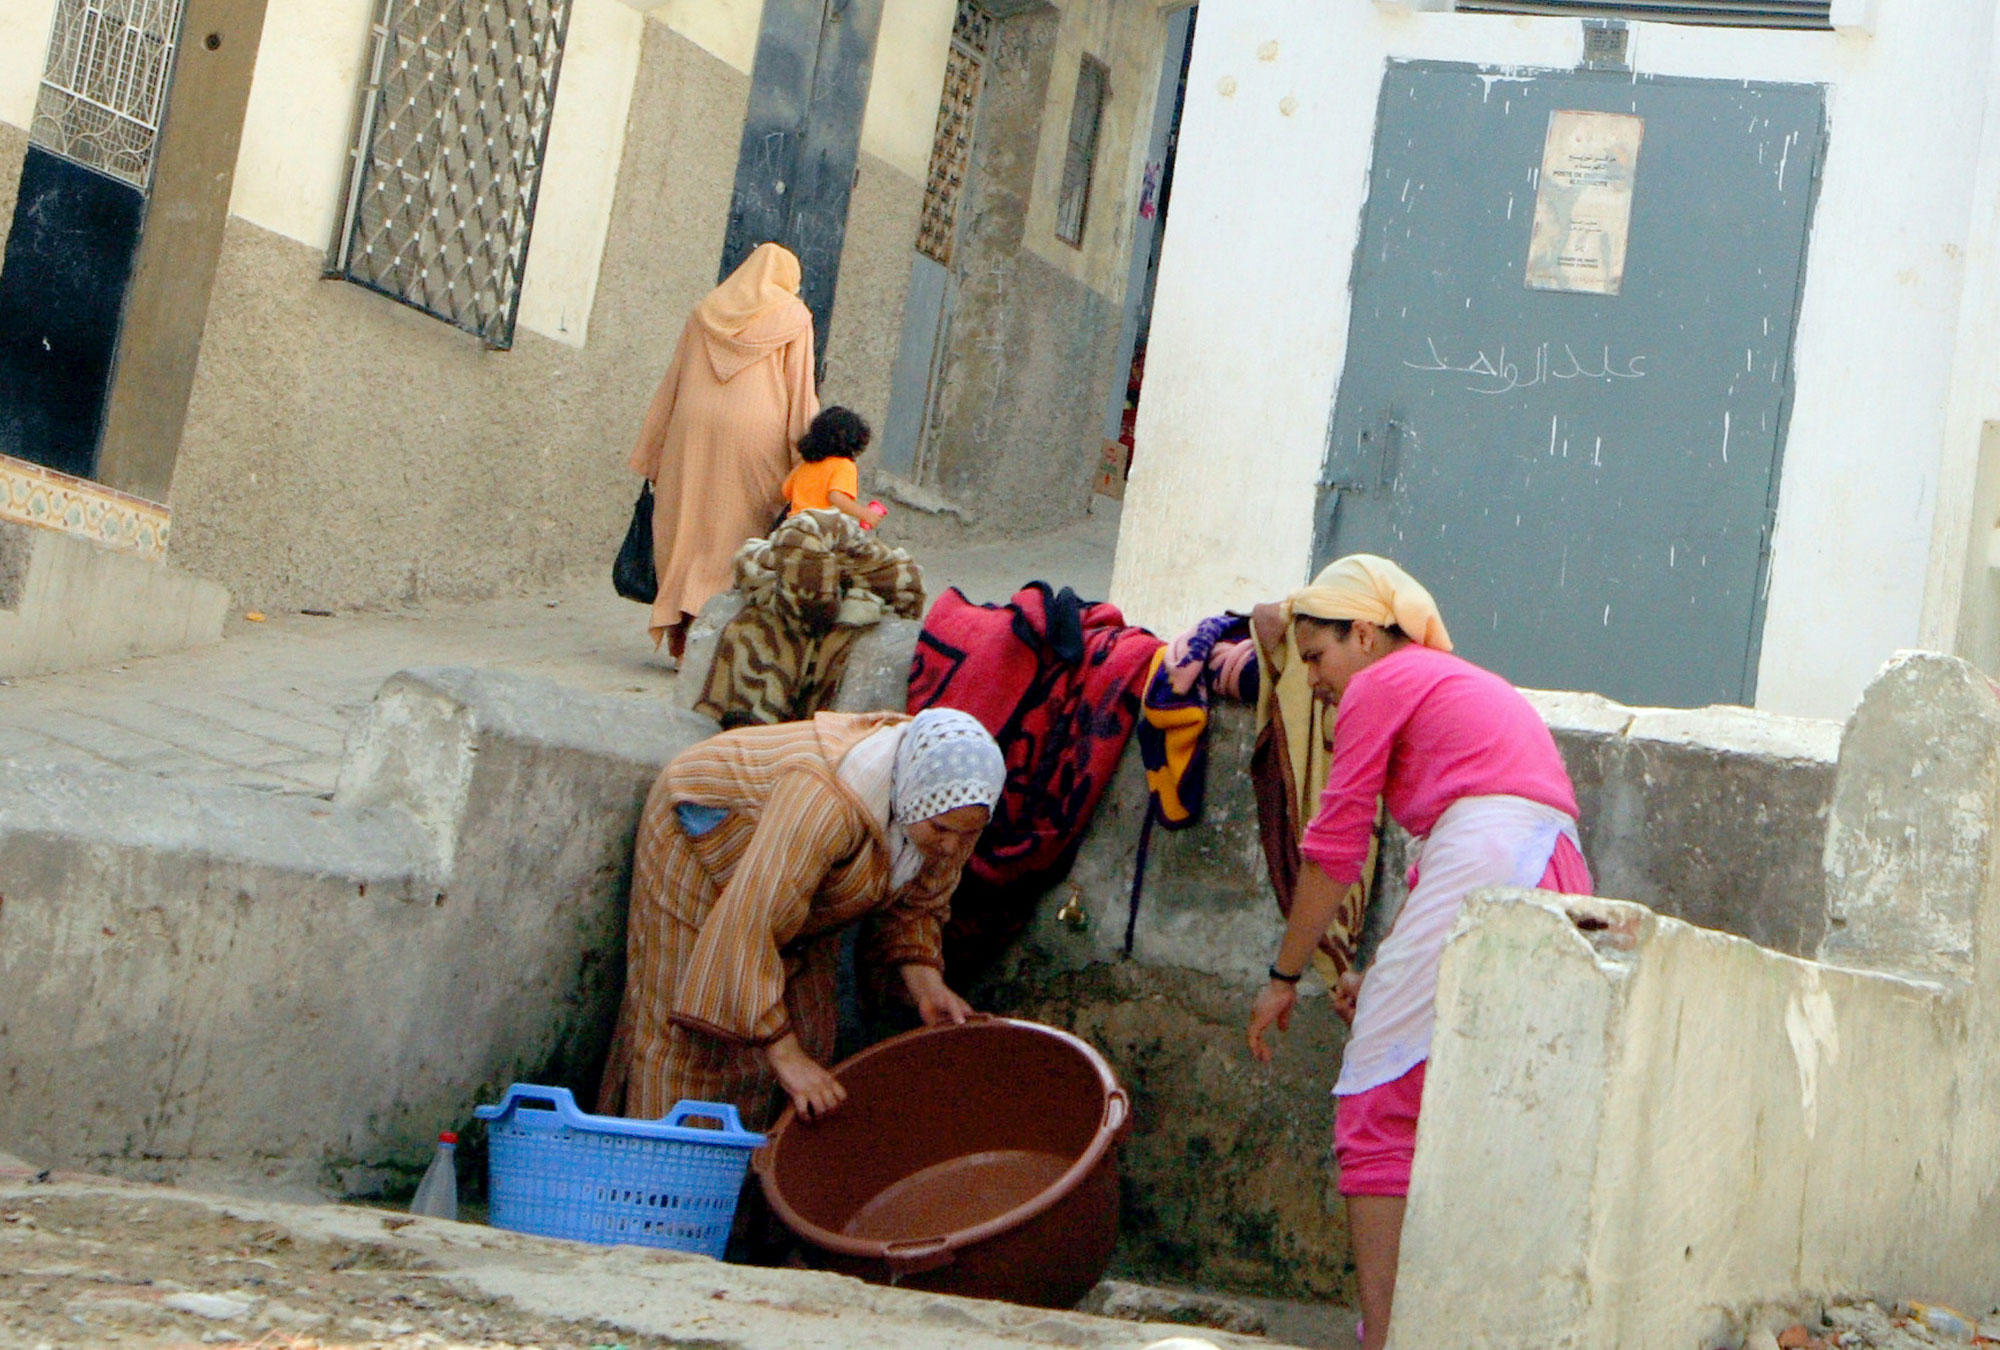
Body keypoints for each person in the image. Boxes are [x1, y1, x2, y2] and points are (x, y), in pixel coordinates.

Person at [1243, 554, 1591, 1350]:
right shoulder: (1454, 684)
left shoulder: (1384, 682)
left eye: (1319, 657)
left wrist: (1283, 976)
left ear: (1364, 634)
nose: (1317, 682)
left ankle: (1389, 1336)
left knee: (1374, 1094)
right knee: (1468, 1091)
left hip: (1492, 852)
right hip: (1548, 864)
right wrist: (1383, 970)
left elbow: (1333, 846)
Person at [597, 707, 1006, 1128]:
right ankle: (657, 1183)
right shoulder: (826, 800)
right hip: (705, 830)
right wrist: (783, 1052)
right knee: (694, 1046)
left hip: (793, 871)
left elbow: (917, 903)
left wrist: (926, 984)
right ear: (911, 799)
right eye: (941, 831)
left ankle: (755, 1176)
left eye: (970, 833)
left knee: (809, 1034)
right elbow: (751, 922)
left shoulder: (947, 807)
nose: (954, 848)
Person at [628, 243, 819, 662]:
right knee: (735, 532)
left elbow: (673, 381)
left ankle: (681, 639)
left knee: (688, 527)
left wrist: (653, 450)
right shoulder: (792, 316)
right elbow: (800, 389)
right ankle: (713, 641)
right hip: (755, 436)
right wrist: (810, 456)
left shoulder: (705, 311)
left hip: (691, 429)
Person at [783, 407, 886, 529]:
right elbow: (836, 497)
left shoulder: (805, 464)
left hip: (793, 525)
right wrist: (865, 514)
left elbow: (786, 489)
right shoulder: (844, 466)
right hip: (820, 529)